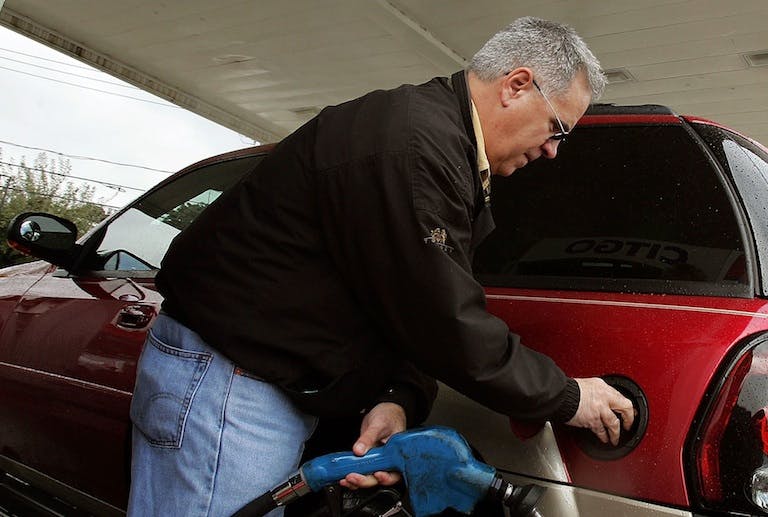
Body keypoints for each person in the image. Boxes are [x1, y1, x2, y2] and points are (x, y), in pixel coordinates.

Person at [128, 17, 635, 516]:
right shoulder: (414, 148)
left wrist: (398, 395)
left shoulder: (436, 142)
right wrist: (568, 397)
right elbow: (441, 318)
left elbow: (400, 299)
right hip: (231, 383)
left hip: (267, 381)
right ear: (516, 85)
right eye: (557, 128)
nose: (552, 150)